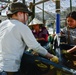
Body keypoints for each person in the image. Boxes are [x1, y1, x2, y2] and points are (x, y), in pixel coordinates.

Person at [0, 2, 58, 75]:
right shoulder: (22, 26)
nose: (27, 17)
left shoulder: (2, 24)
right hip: (10, 68)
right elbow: (35, 46)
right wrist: (51, 56)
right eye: (26, 15)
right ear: (20, 13)